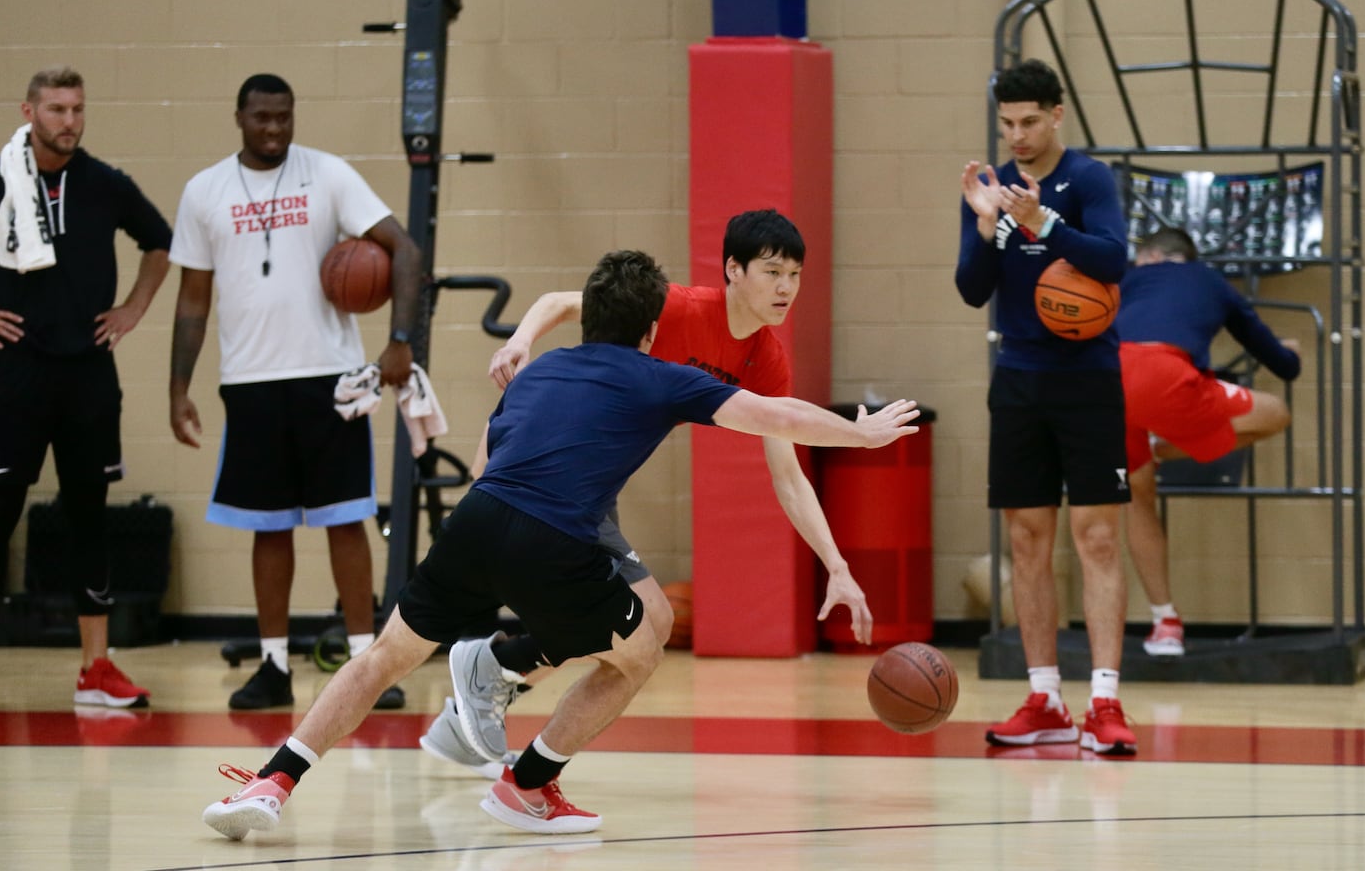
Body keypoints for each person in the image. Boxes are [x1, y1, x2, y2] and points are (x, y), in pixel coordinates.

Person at [201, 249, 921, 839]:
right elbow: (772, 414)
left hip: (477, 520)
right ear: (650, 329)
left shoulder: (541, 369)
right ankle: (529, 784)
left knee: (384, 657)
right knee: (642, 648)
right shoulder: (665, 377)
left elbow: (492, 454)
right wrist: (859, 432)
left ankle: (271, 783)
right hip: (553, 540)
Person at [421, 208, 879, 775]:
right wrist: (519, 342)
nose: (786, 287)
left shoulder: (766, 359)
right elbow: (562, 302)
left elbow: (788, 472)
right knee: (636, 623)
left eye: (795, 275)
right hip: (543, 465)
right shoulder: (678, 306)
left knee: (648, 624)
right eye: (772, 272)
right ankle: (510, 728)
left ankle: (476, 700)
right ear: (733, 271)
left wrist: (835, 563)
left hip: (589, 479)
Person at [168, 74, 422, 711]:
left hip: (329, 378)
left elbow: (407, 251)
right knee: (268, 528)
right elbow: (193, 300)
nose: (274, 129)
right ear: (239, 116)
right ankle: (274, 666)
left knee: (345, 521)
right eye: (262, 118)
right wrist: (179, 387)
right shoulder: (205, 191)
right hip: (250, 382)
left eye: (284, 117)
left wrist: (400, 341)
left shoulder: (329, 175)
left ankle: (366, 666)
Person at [0, 66, 172, 711]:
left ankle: (96, 669)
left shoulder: (104, 184)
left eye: (78, 108)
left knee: (89, 517)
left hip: (87, 373)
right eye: (56, 109)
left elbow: (161, 242)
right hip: (14, 375)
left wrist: (133, 310)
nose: (70, 121)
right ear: (28, 110)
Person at [953, 59, 1136, 756]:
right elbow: (973, 290)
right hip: (1020, 378)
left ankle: (1107, 703)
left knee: (1095, 540)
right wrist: (983, 223)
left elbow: (1113, 261)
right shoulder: (992, 186)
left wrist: (1043, 223)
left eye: (1029, 121)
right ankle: (1046, 698)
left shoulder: (1088, 179)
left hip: (1088, 379)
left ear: (1057, 115)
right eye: (1007, 123)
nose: (1018, 135)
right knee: (1028, 542)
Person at [1113, 228, 1302, 656]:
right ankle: (1165, 447)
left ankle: (1165, 622)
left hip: (1101, 382)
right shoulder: (1212, 281)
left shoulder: (1123, 278)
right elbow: (1281, 364)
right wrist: (1291, 355)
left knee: (1139, 496)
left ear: (1152, 256)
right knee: (1275, 413)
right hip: (1164, 377)